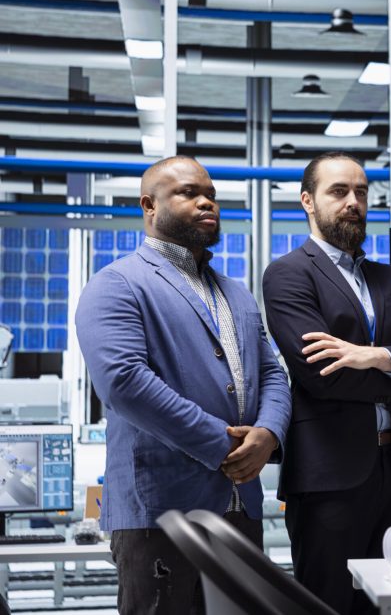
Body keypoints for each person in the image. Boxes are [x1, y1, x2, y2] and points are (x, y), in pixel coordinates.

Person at [76, 156, 291, 614]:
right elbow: (125, 383)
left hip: (239, 509)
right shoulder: (116, 285)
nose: (205, 202)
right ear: (149, 206)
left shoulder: (236, 292)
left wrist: (268, 434)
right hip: (160, 515)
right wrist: (223, 445)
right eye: (188, 193)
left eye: (210, 194)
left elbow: (271, 372)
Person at [262, 152, 391, 614]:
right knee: (329, 603)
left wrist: (371, 356)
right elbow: (323, 374)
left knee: (388, 601)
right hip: (329, 476)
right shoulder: (287, 274)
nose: (353, 202)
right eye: (339, 191)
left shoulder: (389, 278)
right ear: (308, 201)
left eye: (361, 192)